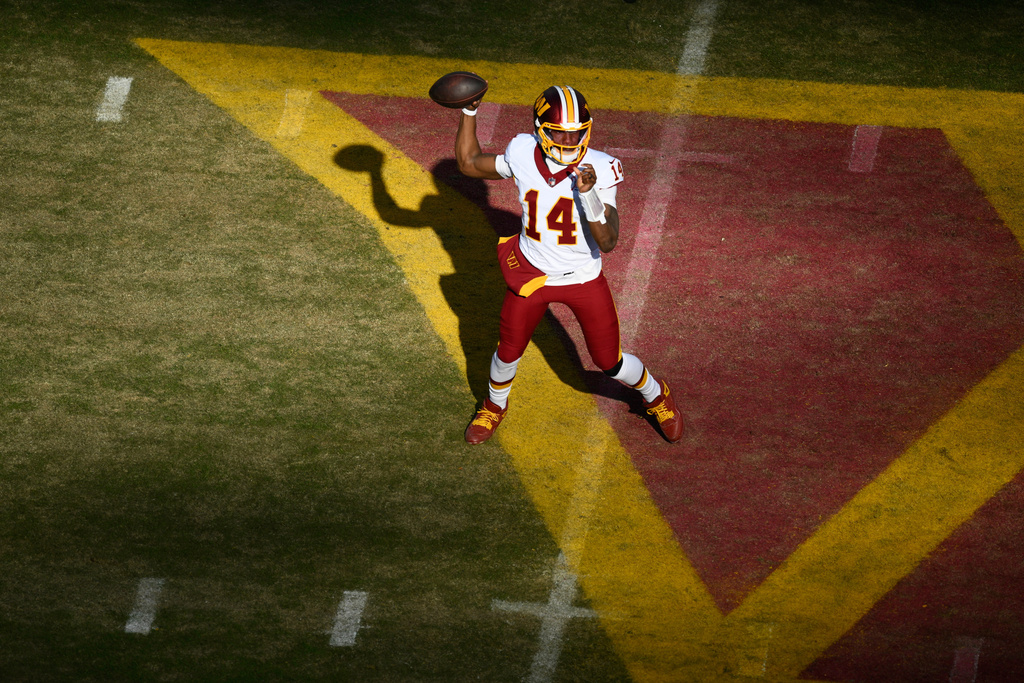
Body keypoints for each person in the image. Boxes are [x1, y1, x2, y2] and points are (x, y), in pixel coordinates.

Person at [455, 84, 682, 445]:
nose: (568, 139)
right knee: (508, 350)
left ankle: (656, 394)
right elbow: (468, 163)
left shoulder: (602, 168)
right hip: (532, 271)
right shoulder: (522, 150)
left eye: (576, 132)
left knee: (610, 361)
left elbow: (608, 241)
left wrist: (589, 193)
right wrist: (468, 112)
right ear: (540, 129)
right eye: (559, 131)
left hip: (582, 278)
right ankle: (494, 406)